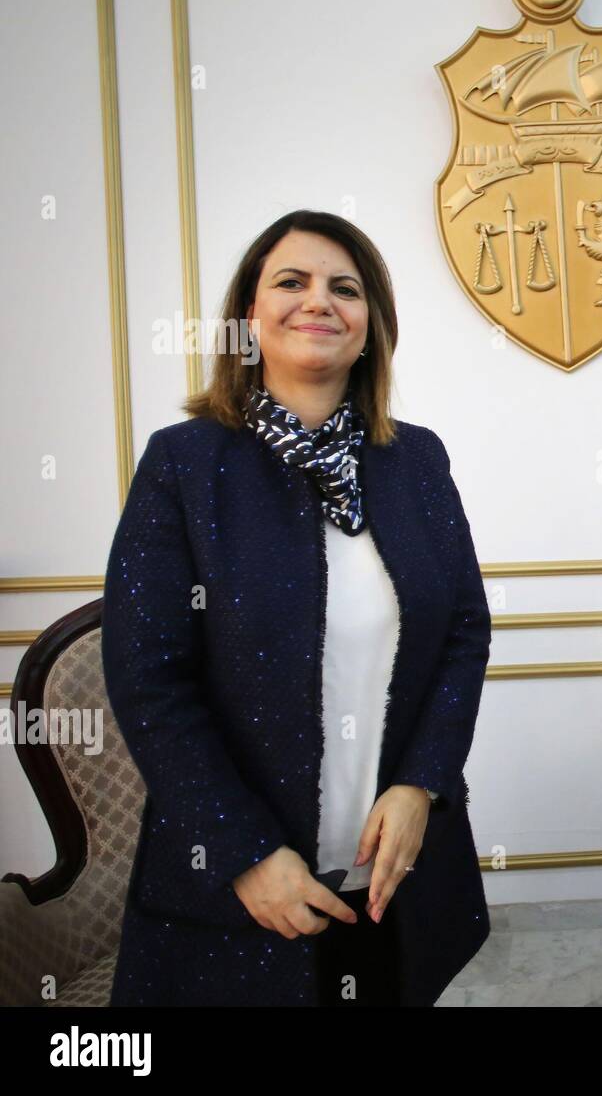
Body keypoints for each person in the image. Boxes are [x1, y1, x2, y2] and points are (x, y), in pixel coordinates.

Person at [102, 209, 491, 1006]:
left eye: (345, 288)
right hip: (239, 893)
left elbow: (462, 631)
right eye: (292, 281)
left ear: (369, 326)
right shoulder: (184, 464)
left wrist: (422, 783)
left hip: (391, 881)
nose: (319, 300)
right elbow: (148, 680)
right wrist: (246, 852)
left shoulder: (417, 460)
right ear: (250, 316)